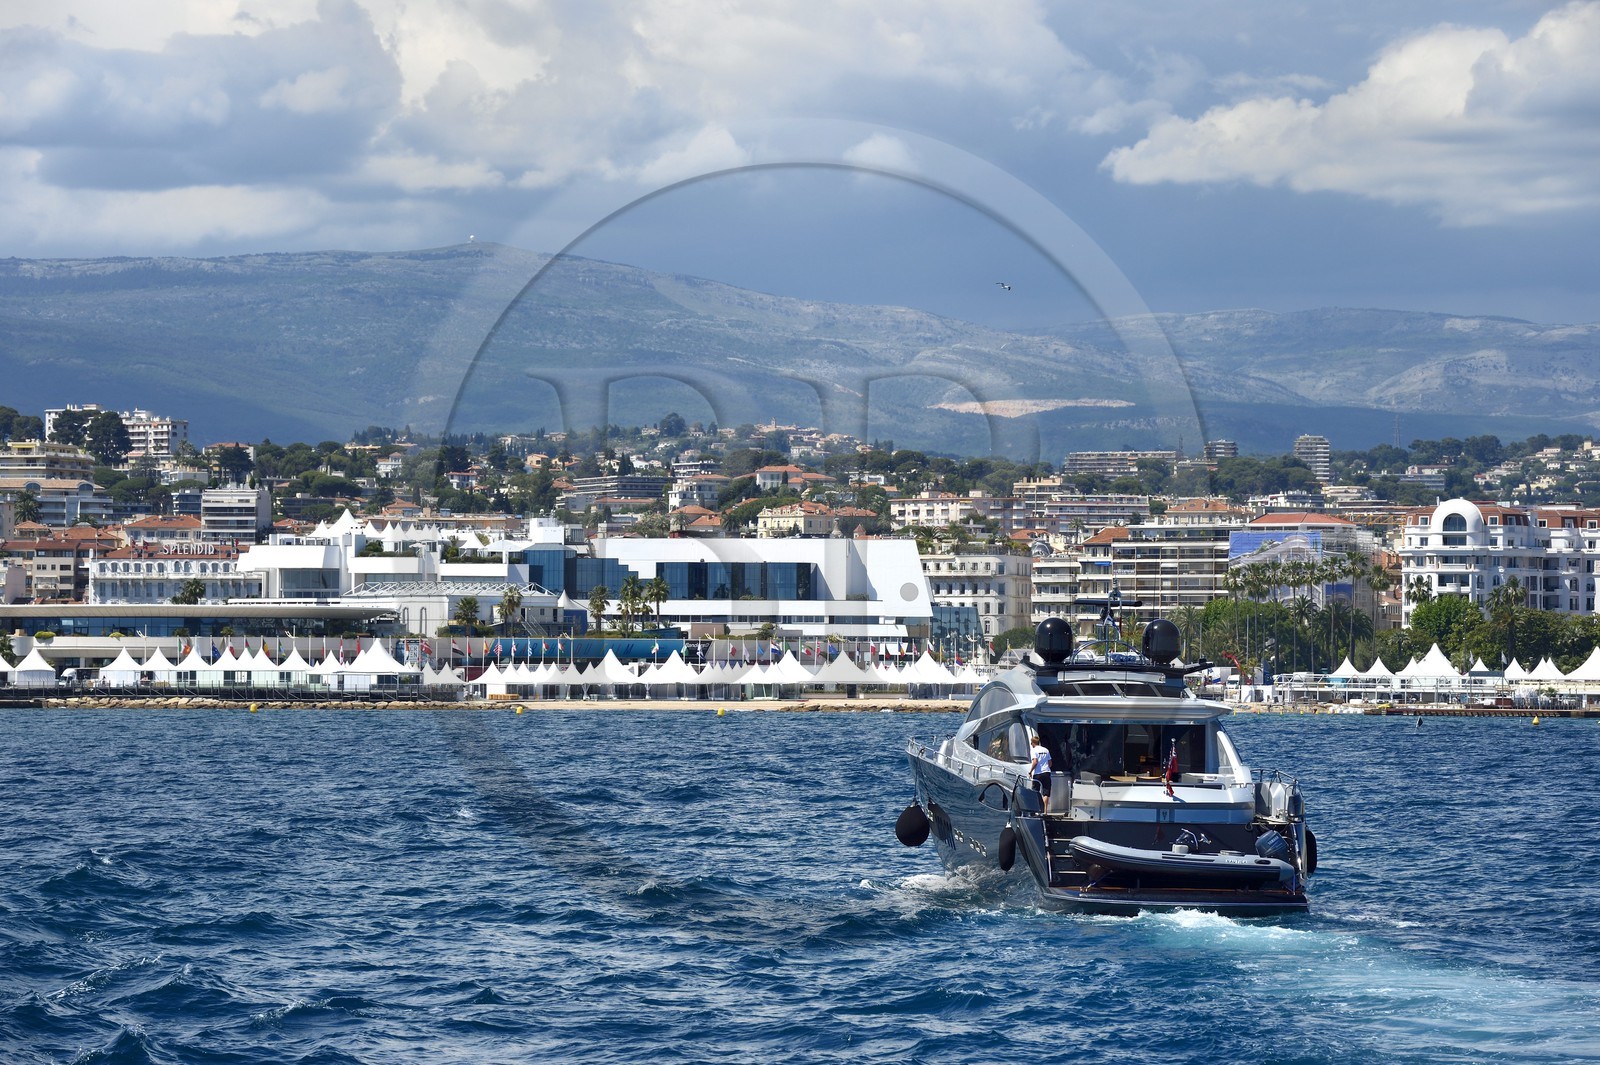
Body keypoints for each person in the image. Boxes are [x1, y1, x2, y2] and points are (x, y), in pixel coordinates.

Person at [1029, 731, 1053, 809]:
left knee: (1035, 792)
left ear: (1033, 743)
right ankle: (1044, 811)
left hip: (1038, 773)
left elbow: (1035, 762)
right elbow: (1050, 763)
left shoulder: (1034, 750)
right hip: (1046, 772)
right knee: (1046, 793)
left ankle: (1037, 809)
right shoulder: (1046, 750)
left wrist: (1030, 771)